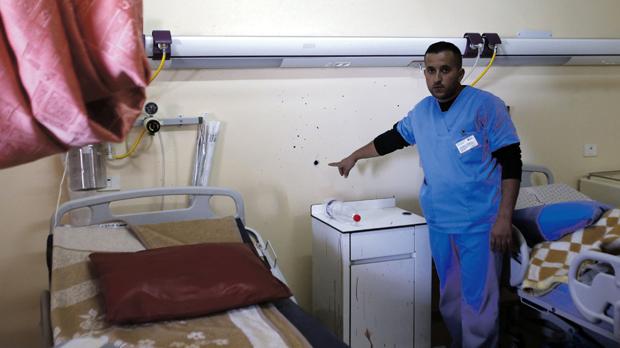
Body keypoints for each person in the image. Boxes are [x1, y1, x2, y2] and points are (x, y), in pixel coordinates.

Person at [329, 41, 522, 348]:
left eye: (444, 70)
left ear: (459, 72)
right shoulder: (422, 112)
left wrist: (504, 217)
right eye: (430, 70)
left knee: (479, 305)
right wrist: (354, 156)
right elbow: (392, 139)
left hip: (481, 224)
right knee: (450, 299)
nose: (436, 78)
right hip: (441, 222)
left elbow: (512, 161)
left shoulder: (486, 106)